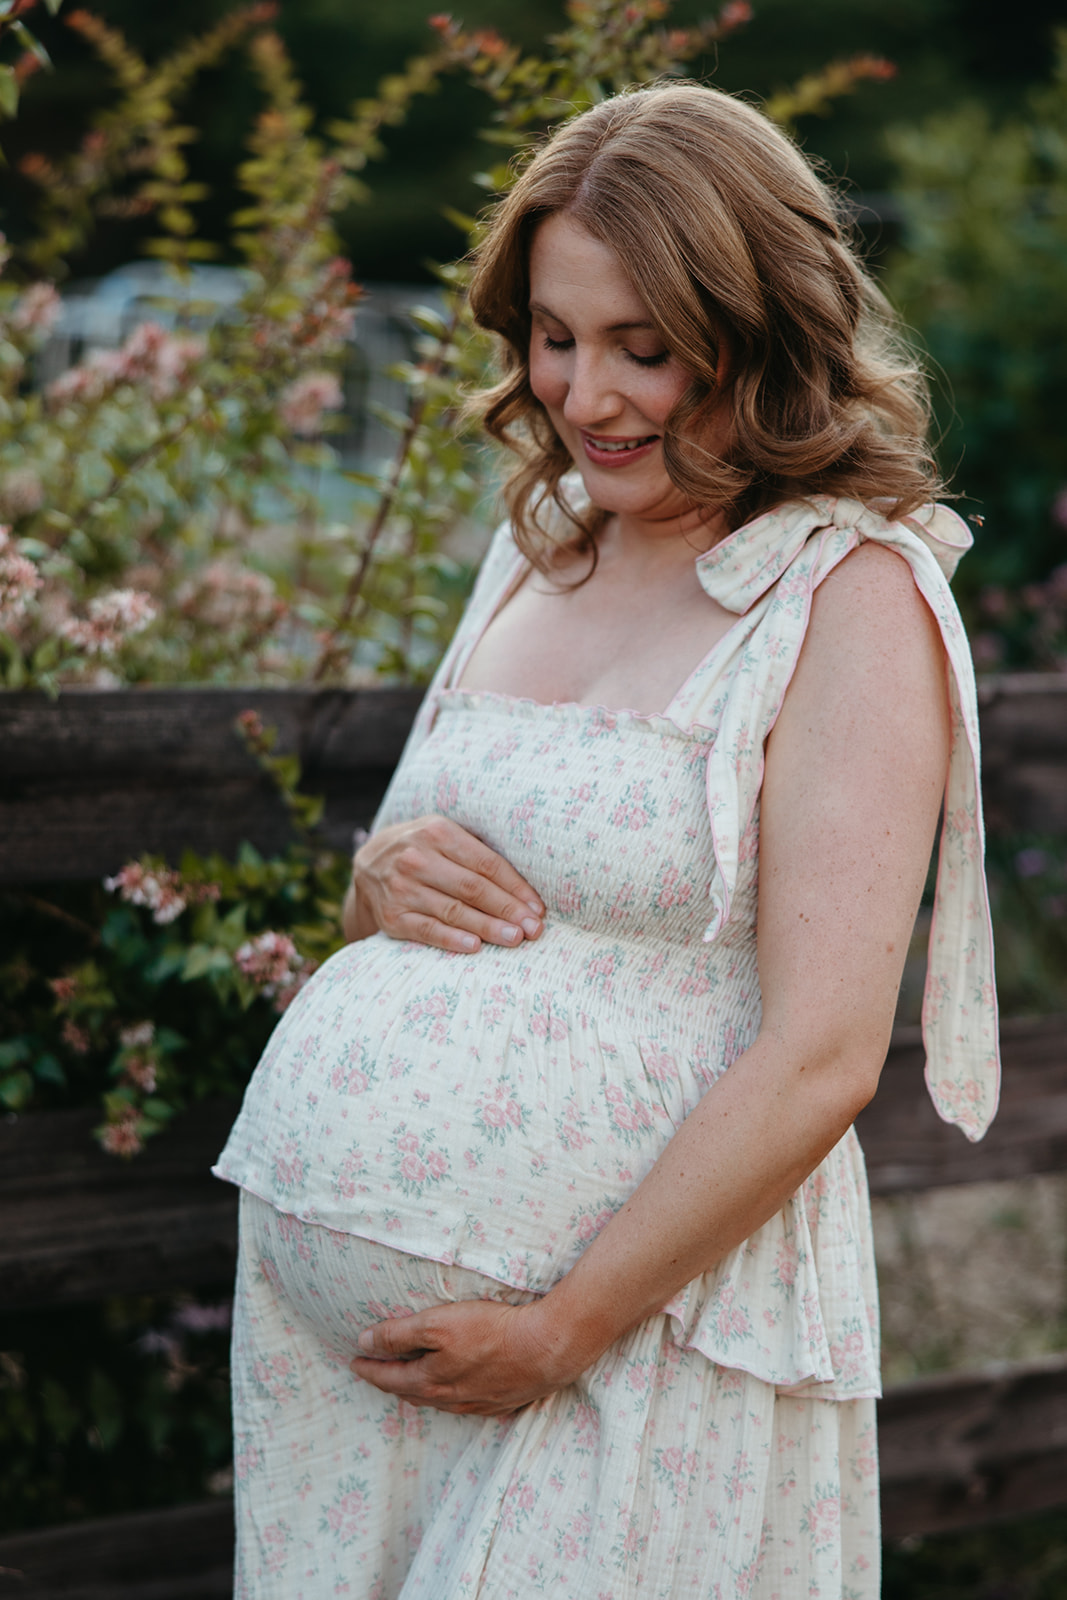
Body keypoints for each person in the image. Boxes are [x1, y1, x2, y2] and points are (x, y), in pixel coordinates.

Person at [213, 82, 999, 1599]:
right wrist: (377, 883)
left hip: (636, 1339)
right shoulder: (542, 539)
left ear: (758, 332)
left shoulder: (850, 597)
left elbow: (827, 1053)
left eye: (645, 348)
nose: (586, 395)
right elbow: (430, 873)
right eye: (555, 338)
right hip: (350, 1376)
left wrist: (560, 1330)